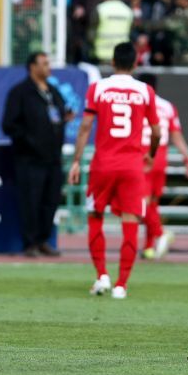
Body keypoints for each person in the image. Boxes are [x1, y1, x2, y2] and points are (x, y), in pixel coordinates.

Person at [68, 42, 161, 300]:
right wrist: (151, 154)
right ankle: (121, 284)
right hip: (132, 166)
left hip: (103, 164)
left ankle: (102, 276)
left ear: (112, 62)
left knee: (95, 216)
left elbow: (85, 126)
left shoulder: (98, 88)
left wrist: (76, 160)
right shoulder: (145, 91)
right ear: (135, 63)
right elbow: (156, 132)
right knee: (130, 222)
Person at [2, 52, 71, 258]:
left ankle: (43, 240)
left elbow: (58, 114)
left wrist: (65, 118)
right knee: (31, 201)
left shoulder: (53, 91)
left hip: (53, 157)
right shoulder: (20, 92)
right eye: (44, 63)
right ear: (33, 67)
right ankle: (30, 242)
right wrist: (29, 141)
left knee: (50, 201)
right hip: (30, 158)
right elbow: (9, 124)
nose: (49, 67)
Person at [135, 73, 188, 260]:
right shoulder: (167, 106)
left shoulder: (137, 102)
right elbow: (175, 134)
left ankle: (161, 233)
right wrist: (187, 158)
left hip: (143, 155)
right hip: (160, 157)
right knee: (151, 203)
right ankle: (148, 248)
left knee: (139, 204)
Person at [89, 0, 133, 65]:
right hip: (121, 57)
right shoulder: (127, 10)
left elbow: (91, 35)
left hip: (101, 57)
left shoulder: (100, 9)